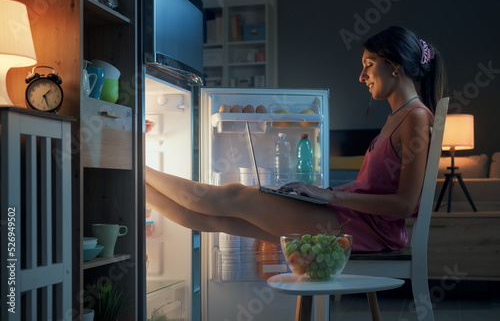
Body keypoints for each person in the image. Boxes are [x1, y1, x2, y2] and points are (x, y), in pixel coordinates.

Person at [146, 26, 446, 252]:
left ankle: (138, 168)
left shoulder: (417, 117)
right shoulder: (399, 117)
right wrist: (321, 193)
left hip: (365, 230)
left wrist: (330, 196)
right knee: (220, 219)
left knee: (236, 196)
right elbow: (373, 189)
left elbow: (405, 204)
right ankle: (137, 185)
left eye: (368, 64)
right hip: (351, 220)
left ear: (394, 64)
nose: (361, 75)